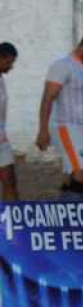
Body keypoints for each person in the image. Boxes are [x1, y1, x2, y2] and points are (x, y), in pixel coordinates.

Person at [35, 29, 83, 199]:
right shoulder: (62, 65)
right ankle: (74, 210)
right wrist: (43, 130)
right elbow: (48, 97)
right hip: (67, 126)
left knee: (74, 172)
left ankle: (63, 211)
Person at [0, 42, 19, 201]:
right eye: (8, 62)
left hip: (1, 139)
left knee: (10, 179)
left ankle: (13, 219)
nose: (11, 66)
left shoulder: (1, 79)